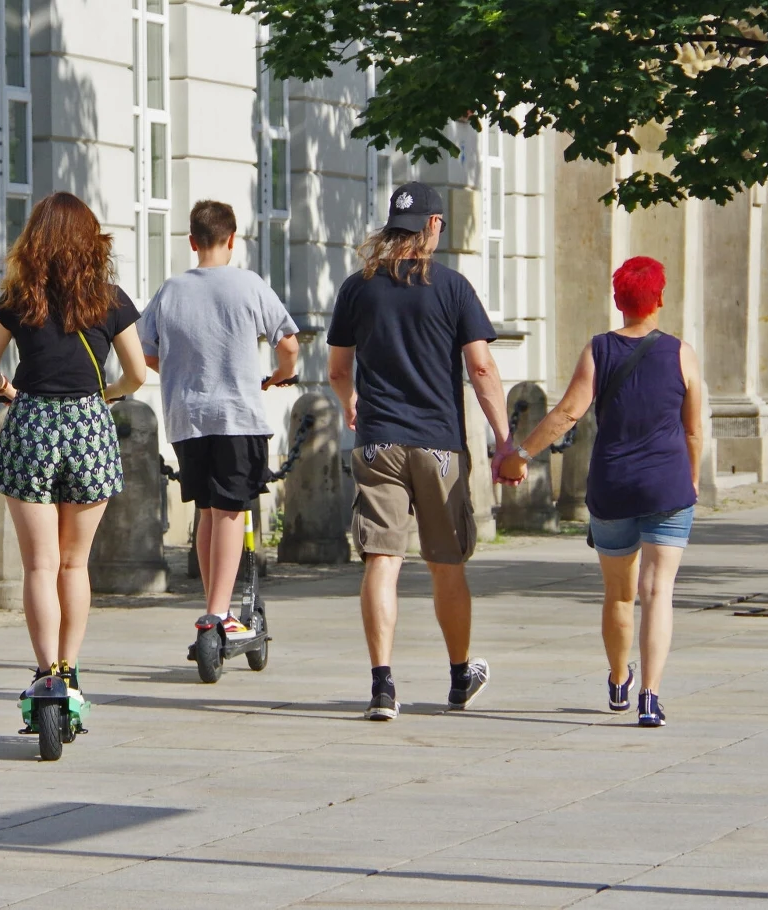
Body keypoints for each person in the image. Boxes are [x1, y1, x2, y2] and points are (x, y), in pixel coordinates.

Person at [327, 182, 513, 721]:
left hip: (379, 441)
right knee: (445, 562)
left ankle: (383, 686)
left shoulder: (357, 288)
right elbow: (481, 368)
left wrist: (349, 402)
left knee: (382, 560)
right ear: (432, 225)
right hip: (438, 445)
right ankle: (458, 677)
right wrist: (505, 439)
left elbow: (338, 370)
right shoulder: (452, 287)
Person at [499, 257, 702, 727]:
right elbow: (693, 430)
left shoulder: (599, 349)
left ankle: (618, 679)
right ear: (660, 299)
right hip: (668, 486)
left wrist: (521, 455)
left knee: (619, 594)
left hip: (612, 487)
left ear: (618, 300)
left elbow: (568, 412)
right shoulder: (682, 353)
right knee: (658, 592)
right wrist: (691, 478)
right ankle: (650, 697)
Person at [0, 192, 146, 698]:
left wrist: (9, 391)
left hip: (31, 424)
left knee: (39, 565)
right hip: (89, 425)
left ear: (35, 241)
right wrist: (106, 395)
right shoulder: (110, 299)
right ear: (91, 241)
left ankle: (45, 672)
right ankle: (69, 670)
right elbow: (136, 374)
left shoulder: (18, 299)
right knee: (74, 563)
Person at [138, 200, 299, 640]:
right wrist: (278, 377)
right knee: (230, 512)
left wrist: (180, 372)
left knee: (207, 512)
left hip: (187, 417)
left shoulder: (171, 290)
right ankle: (218, 614)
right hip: (237, 415)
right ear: (232, 240)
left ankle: (215, 608)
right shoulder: (249, 284)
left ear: (192, 242)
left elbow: (145, 350)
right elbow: (288, 345)